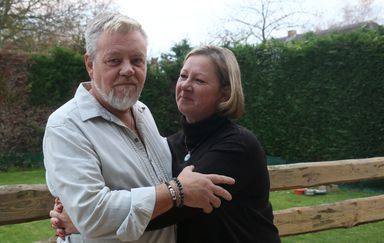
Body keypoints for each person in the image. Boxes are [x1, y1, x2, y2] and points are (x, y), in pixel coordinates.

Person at [51, 45, 281, 242]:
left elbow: (170, 209)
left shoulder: (237, 146)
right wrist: (79, 204)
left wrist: (88, 221)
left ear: (225, 94)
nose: (186, 85)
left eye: (199, 80)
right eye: (183, 76)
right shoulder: (175, 144)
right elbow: (144, 185)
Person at [43, 12, 235, 243]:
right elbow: (93, 216)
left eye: (137, 60)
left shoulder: (142, 111)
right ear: (90, 65)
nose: (128, 70)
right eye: (114, 60)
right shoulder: (66, 126)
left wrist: (80, 216)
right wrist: (176, 191)